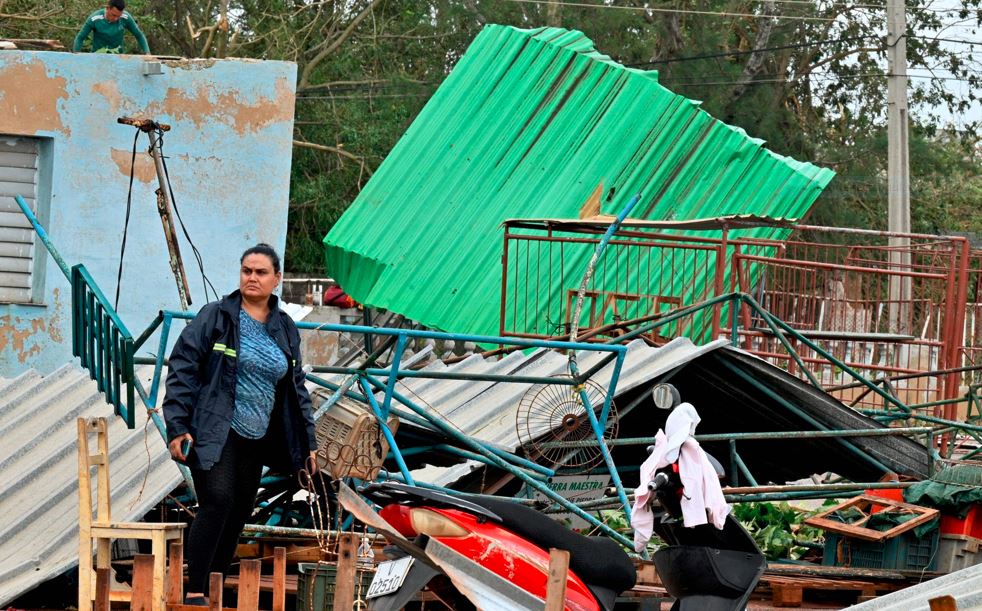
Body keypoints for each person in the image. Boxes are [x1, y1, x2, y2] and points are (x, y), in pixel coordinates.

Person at [163, 243, 318, 604]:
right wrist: (177, 426)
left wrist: (307, 444)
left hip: (259, 434)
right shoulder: (216, 317)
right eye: (246, 270)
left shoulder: (285, 329)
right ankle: (195, 590)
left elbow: (296, 390)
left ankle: (214, 583)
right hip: (216, 427)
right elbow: (182, 369)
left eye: (261, 272)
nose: (252, 277)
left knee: (239, 511)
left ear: (276, 279)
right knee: (217, 500)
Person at [73, 0, 150, 54]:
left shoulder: (126, 18)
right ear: (107, 8)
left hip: (118, 57)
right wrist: (76, 54)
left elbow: (139, 35)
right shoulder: (95, 18)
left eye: (118, 16)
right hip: (98, 56)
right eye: (114, 15)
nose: (116, 18)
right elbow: (80, 37)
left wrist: (147, 52)